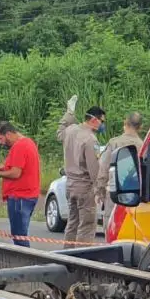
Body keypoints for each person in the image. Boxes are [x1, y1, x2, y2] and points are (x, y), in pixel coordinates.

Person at [57, 97, 105, 247]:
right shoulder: (90, 139)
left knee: (72, 222)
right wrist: (100, 190)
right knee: (87, 225)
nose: (103, 125)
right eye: (102, 121)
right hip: (84, 187)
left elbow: (60, 131)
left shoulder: (70, 130)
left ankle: (66, 254)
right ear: (94, 120)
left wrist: (69, 113)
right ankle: (82, 257)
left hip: (70, 185)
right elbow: (94, 168)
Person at [0, 122, 41, 247]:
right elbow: (20, 166)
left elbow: (16, 173)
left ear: (8, 134)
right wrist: (3, 167)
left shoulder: (19, 146)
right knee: (20, 234)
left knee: (19, 236)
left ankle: (24, 257)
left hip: (20, 197)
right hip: (28, 195)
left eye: (0, 138)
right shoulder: (28, 142)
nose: (0, 142)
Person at [97, 112, 144, 228]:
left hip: (114, 196)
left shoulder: (114, 143)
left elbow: (103, 170)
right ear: (140, 127)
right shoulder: (144, 146)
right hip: (137, 199)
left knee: (112, 229)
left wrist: (100, 192)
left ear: (125, 123)